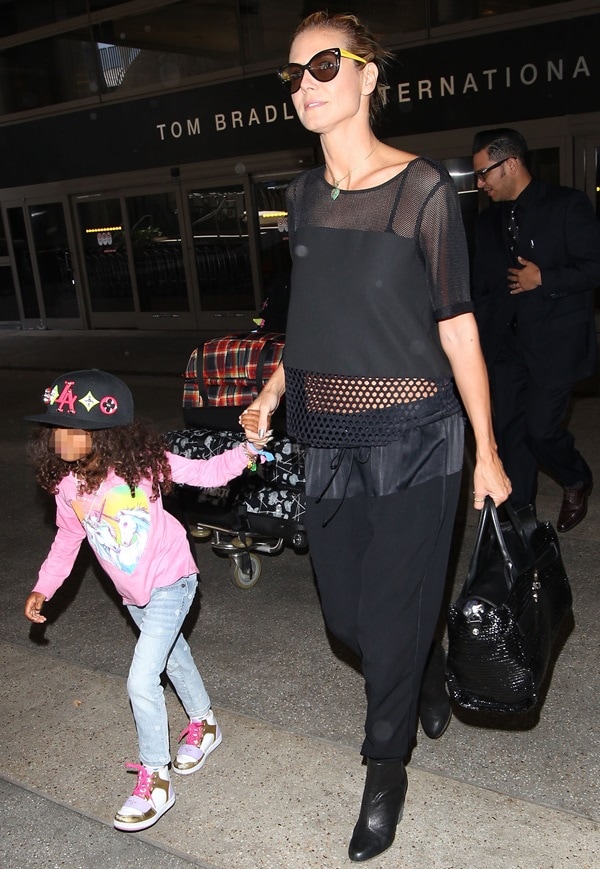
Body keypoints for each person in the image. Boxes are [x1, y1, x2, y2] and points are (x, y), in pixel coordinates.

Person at [240, 11, 510, 863]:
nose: (307, 84)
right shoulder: (300, 198)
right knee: (353, 620)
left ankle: (384, 766)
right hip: (326, 435)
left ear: (367, 77)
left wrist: (489, 450)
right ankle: (421, 663)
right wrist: (273, 391)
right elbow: (313, 321)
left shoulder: (421, 188)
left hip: (419, 437)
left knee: (386, 619)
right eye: (293, 74)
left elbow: (459, 323)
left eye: (325, 64)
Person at [23, 369, 270, 833]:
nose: (58, 439)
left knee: (141, 679)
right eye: (54, 429)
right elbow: (66, 540)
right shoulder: (67, 487)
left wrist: (249, 449)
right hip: (132, 593)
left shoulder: (144, 465)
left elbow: (208, 471)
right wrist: (44, 587)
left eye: (70, 430)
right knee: (174, 659)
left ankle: (156, 779)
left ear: (105, 435)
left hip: (172, 582)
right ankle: (205, 723)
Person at [472, 128, 600, 531]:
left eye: (484, 173)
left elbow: (594, 267)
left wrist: (543, 278)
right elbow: (481, 285)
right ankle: (519, 517)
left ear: (510, 163)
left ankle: (576, 477)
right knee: (510, 437)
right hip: (506, 346)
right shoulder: (485, 222)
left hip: (554, 343)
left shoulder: (567, 205)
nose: (479, 183)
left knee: (539, 432)